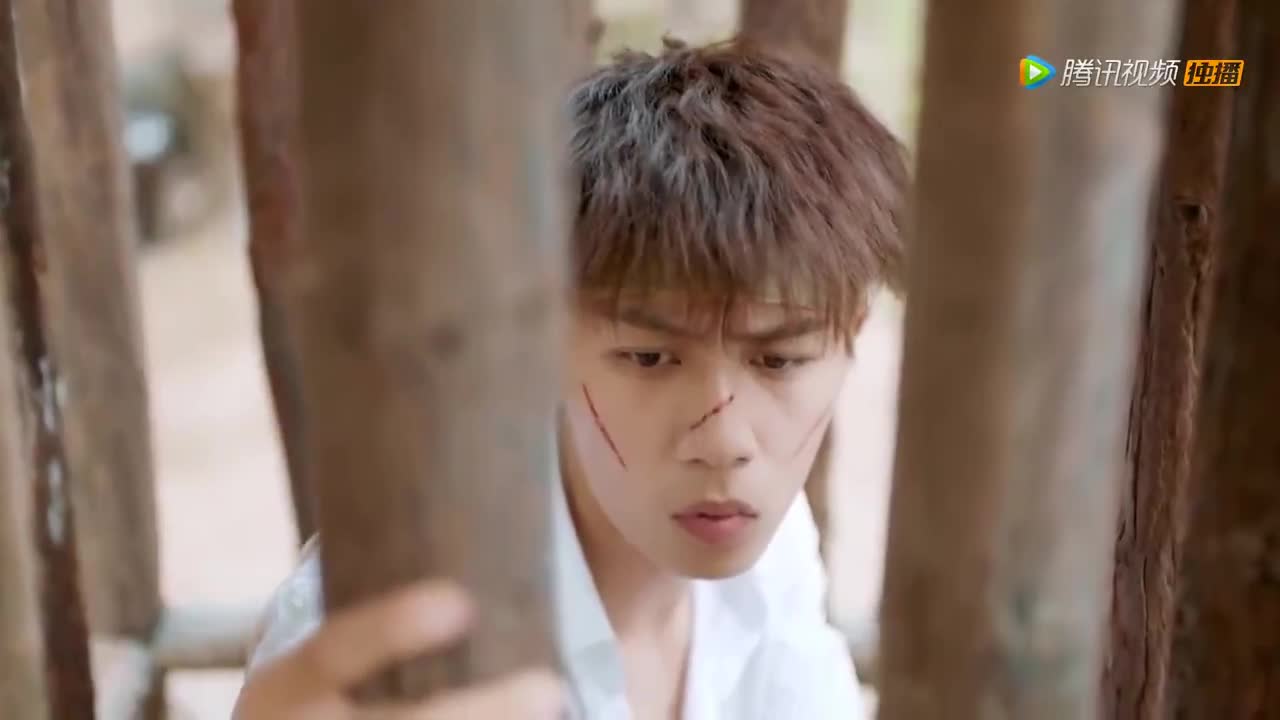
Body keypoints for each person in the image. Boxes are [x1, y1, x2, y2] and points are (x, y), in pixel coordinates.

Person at [233, 36, 906, 720]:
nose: (725, 441)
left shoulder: (776, 553)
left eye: (780, 360)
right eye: (649, 358)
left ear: (851, 332)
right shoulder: (389, 625)